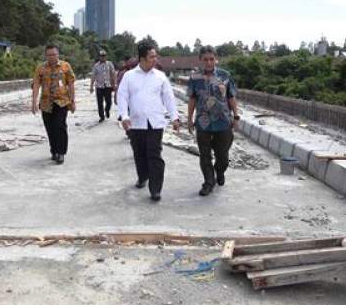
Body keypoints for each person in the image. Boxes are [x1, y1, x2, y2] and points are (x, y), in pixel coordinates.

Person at [117, 43, 180, 201]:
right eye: (152, 56)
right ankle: (143, 176)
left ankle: (155, 189)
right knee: (139, 154)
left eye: (155, 56)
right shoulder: (129, 76)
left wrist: (175, 117)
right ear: (142, 58)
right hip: (136, 123)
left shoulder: (160, 76)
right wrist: (124, 116)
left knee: (154, 155)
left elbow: (168, 98)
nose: (155, 59)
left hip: (155, 123)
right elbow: (122, 97)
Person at [186, 45, 241, 196]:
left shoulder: (225, 75)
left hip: (223, 121)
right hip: (203, 122)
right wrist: (189, 119)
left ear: (216, 59)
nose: (209, 62)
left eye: (212, 59)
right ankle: (208, 182)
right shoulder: (194, 77)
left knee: (222, 156)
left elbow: (231, 97)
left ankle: (219, 171)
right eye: (206, 60)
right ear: (200, 60)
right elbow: (191, 99)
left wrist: (236, 116)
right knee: (204, 155)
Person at [32, 44, 76, 164]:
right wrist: (34, 102)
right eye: (49, 55)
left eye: (54, 54)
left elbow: (71, 83)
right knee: (50, 128)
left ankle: (61, 152)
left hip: (61, 102)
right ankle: (54, 151)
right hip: (46, 103)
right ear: (46, 55)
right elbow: (36, 85)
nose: (52, 57)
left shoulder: (65, 66)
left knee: (59, 126)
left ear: (58, 54)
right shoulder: (40, 68)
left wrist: (72, 101)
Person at [89, 49, 117, 122]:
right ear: (99, 57)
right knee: (100, 102)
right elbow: (93, 76)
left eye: (104, 56)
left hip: (108, 86)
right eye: (101, 56)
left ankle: (107, 110)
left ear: (106, 56)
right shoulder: (96, 66)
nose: (103, 57)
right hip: (99, 86)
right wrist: (91, 86)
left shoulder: (109, 64)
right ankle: (101, 116)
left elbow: (113, 74)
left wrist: (115, 83)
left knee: (109, 102)